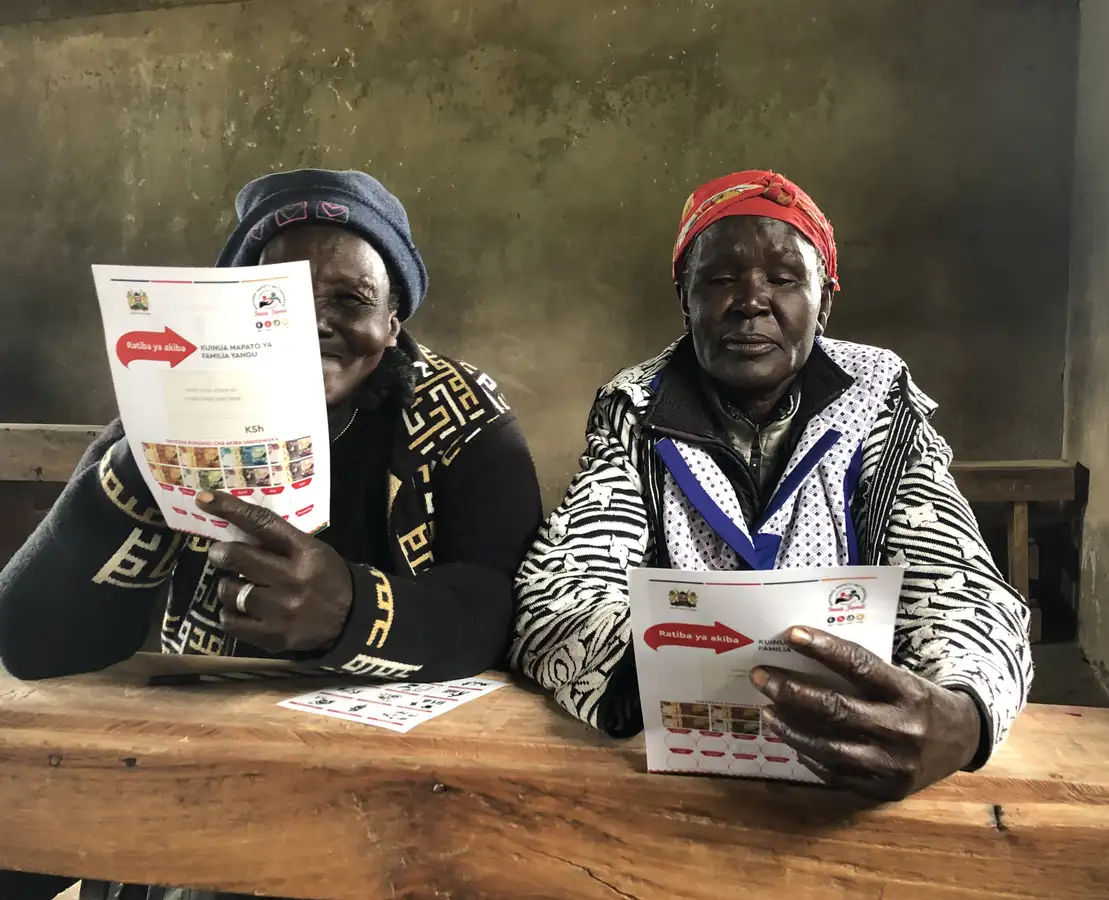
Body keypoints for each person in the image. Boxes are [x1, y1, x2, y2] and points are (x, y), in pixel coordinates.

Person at [0, 169, 542, 900]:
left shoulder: (460, 413)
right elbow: (31, 642)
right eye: (272, 299)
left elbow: (501, 605)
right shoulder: (171, 411)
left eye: (350, 301)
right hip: (205, 764)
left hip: (407, 787)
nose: (309, 325)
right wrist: (137, 468)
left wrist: (353, 610)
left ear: (393, 323)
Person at [509, 170, 1033, 800]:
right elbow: (558, 591)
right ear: (684, 298)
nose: (750, 301)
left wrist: (963, 714)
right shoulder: (637, 409)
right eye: (720, 279)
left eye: (783, 279)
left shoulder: (880, 402)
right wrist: (681, 670)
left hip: (851, 765)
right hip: (685, 761)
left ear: (825, 301)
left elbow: (957, 582)